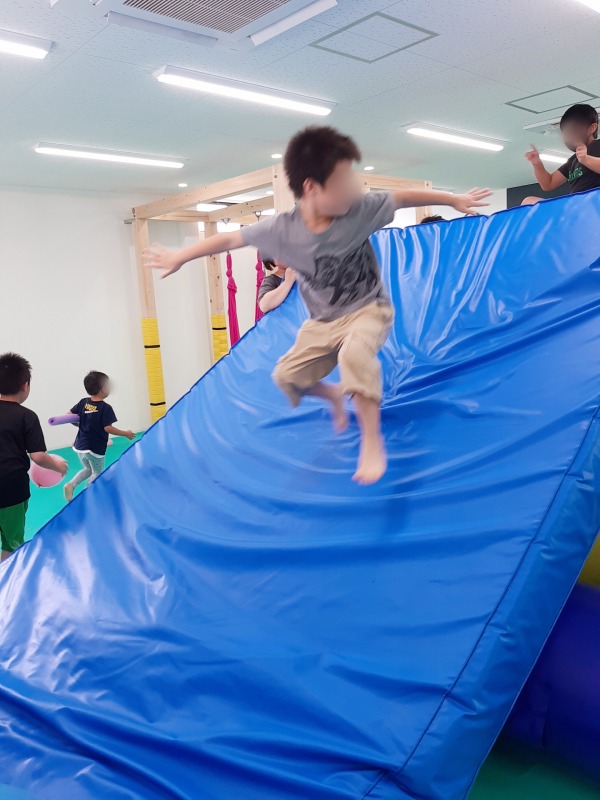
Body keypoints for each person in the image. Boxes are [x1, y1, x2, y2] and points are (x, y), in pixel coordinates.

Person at [143, 126, 490, 485]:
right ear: (312, 187)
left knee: (354, 355)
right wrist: (180, 256)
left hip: (368, 308)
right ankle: (333, 396)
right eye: (343, 181)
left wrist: (452, 200)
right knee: (286, 376)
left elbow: (401, 198)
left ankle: (372, 441)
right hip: (323, 321)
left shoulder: (359, 210)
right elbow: (231, 238)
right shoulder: (281, 230)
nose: (354, 188)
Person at [0, 353, 68, 560]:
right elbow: (38, 456)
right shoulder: (26, 416)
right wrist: (58, 466)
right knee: (12, 544)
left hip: (10, 487)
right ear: (25, 385)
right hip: (11, 488)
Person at [63, 371, 134, 502]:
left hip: (80, 447)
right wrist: (126, 433)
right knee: (97, 472)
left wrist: (82, 425)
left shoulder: (83, 402)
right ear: (103, 388)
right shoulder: (105, 408)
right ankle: (87, 495)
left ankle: (71, 485)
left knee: (88, 469)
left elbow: (68, 416)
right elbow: (108, 428)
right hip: (95, 448)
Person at [523, 104, 600, 205]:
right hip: (576, 206)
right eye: (566, 132)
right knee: (528, 201)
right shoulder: (573, 160)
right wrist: (537, 164)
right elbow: (548, 183)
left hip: (594, 203)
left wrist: (586, 159)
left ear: (592, 128)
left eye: (573, 130)